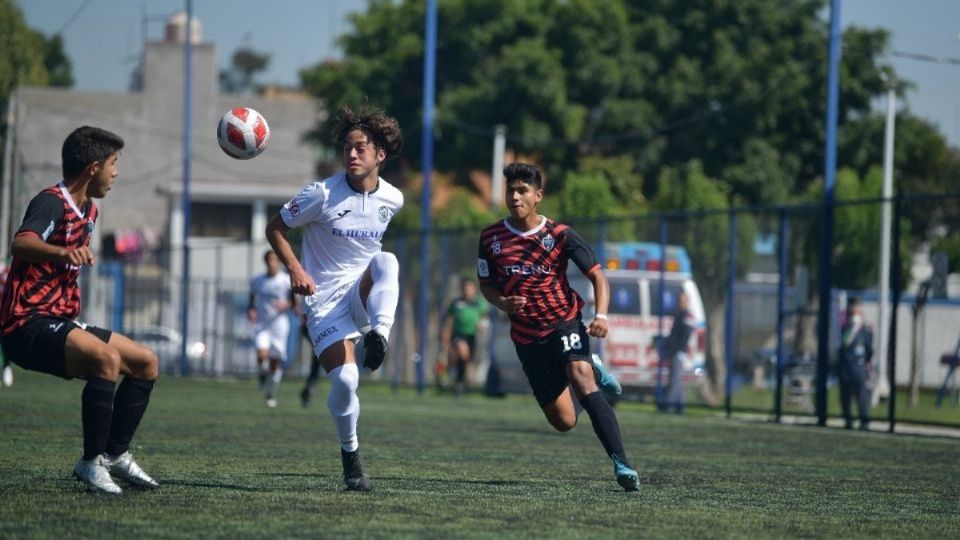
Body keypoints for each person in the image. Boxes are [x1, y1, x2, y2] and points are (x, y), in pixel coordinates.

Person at [0, 126, 160, 494]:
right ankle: (91, 461)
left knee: (145, 361)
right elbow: (21, 242)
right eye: (113, 163)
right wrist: (61, 252)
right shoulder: (52, 202)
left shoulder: (91, 209)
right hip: (25, 324)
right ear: (93, 168)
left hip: (58, 320)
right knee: (105, 359)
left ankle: (115, 455)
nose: (116, 172)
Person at [477, 162, 640, 492]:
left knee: (581, 379)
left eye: (522, 190)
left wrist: (602, 316)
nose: (515, 195)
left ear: (538, 196)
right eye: (510, 190)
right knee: (564, 421)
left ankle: (622, 463)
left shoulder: (560, 235)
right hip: (526, 338)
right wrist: (502, 302)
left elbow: (597, 276)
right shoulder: (490, 238)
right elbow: (486, 284)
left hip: (564, 322)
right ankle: (590, 367)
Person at [266, 104, 403, 492]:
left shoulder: (393, 199)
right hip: (324, 303)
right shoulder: (320, 194)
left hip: (360, 293)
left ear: (381, 154)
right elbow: (274, 227)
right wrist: (295, 268)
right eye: (347, 147)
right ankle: (351, 459)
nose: (352, 153)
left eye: (361, 147)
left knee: (386, 260)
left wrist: (375, 323)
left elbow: (375, 262)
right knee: (345, 380)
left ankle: (380, 335)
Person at [248, 249, 295, 407]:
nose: (271, 263)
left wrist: (286, 305)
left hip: (279, 325)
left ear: (279, 262)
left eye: (274, 260)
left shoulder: (285, 280)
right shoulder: (258, 280)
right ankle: (263, 373)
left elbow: (293, 302)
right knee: (262, 356)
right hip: (263, 324)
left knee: (275, 363)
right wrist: (251, 310)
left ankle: (270, 394)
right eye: (269, 260)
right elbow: (252, 299)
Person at [440, 277, 487, 396]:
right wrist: (446, 333)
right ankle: (454, 378)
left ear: (474, 290)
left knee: (465, 360)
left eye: (470, 289)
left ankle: (458, 382)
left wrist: (481, 324)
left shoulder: (479, 303)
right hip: (458, 334)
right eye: (466, 288)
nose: (468, 291)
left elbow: (484, 317)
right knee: (462, 349)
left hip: (472, 335)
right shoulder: (456, 303)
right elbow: (449, 320)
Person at [837, 297, 873, 430]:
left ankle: (864, 422)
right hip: (846, 369)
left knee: (862, 398)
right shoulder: (844, 328)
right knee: (845, 399)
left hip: (859, 370)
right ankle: (848, 421)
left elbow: (869, 350)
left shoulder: (864, 330)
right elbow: (842, 346)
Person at [661, 290, 695, 414]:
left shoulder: (687, 316)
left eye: (682, 301)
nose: (680, 303)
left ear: (687, 302)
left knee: (674, 382)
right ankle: (681, 408)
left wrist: (674, 349)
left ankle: (669, 407)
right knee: (677, 381)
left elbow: (684, 337)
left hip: (679, 352)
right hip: (675, 351)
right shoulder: (678, 315)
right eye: (679, 301)